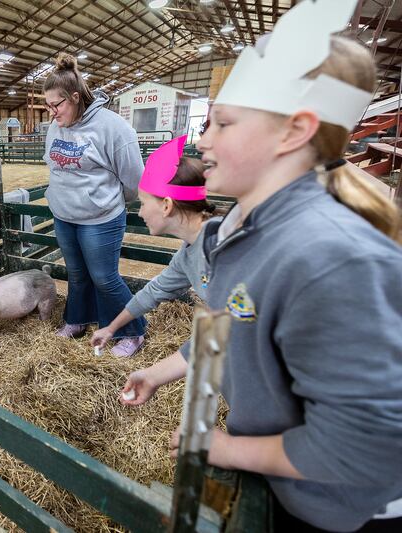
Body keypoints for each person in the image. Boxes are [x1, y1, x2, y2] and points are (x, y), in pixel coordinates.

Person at [124, 2, 402, 530]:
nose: (203, 140)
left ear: (294, 131)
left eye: (223, 123)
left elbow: (357, 450)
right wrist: (158, 373)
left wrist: (221, 447)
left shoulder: (332, 259)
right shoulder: (233, 230)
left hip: (343, 512)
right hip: (288, 485)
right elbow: (232, 325)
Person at [43, 53, 146, 357]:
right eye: (47, 105)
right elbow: (54, 165)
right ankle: (77, 319)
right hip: (64, 215)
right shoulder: (56, 125)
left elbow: (134, 180)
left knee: (104, 278)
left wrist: (105, 202)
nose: (52, 112)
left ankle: (133, 330)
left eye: (56, 105)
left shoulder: (114, 128)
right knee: (76, 274)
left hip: (100, 218)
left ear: (75, 97)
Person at [90, 135, 218, 353]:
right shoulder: (189, 252)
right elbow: (154, 292)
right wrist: (111, 328)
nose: (140, 212)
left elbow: (228, 329)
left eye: (143, 203)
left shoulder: (220, 248)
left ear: (166, 206)